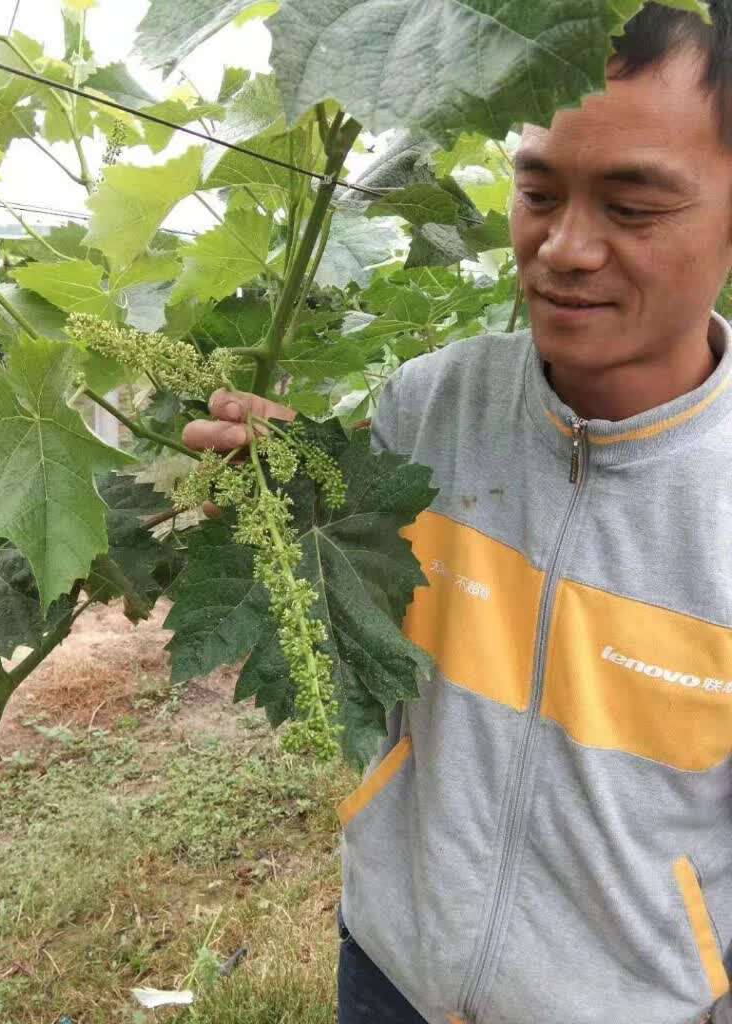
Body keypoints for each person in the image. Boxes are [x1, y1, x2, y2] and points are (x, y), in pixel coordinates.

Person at [183, 4, 732, 1022]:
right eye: (537, 192)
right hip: (393, 965)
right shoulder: (427, 403)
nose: (564, 247)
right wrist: (291, 494)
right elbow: (361, 615)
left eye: (634, 205)